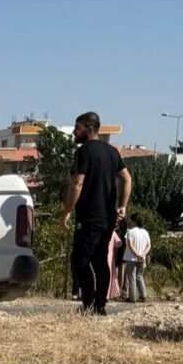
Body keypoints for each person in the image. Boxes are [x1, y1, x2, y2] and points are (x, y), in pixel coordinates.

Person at [60, 112, 131, 316]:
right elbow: (127, 179)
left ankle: (89, 303)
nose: (75, 131)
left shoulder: (84, 152)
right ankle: (100, 305)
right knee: (100, 261)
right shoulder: (112, 152)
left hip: (89, 217)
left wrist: (67, 211)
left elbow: (77, 183)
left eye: (78, 127)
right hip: (108, 218)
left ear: (90, 129)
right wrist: (122, 206)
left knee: (80, 260)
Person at [123, 213, 151, 303]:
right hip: (142, 258)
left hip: (131, 257)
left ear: (134, 221)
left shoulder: (130, 232)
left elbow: (130, 245)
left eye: (131, 220)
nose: (130, 222)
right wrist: (143, 254)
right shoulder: (145, 232)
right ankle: (143, 295)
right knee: (139, 276)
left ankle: (132, 298)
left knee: (131, 277)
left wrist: (136, 254)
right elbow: (148, 245)